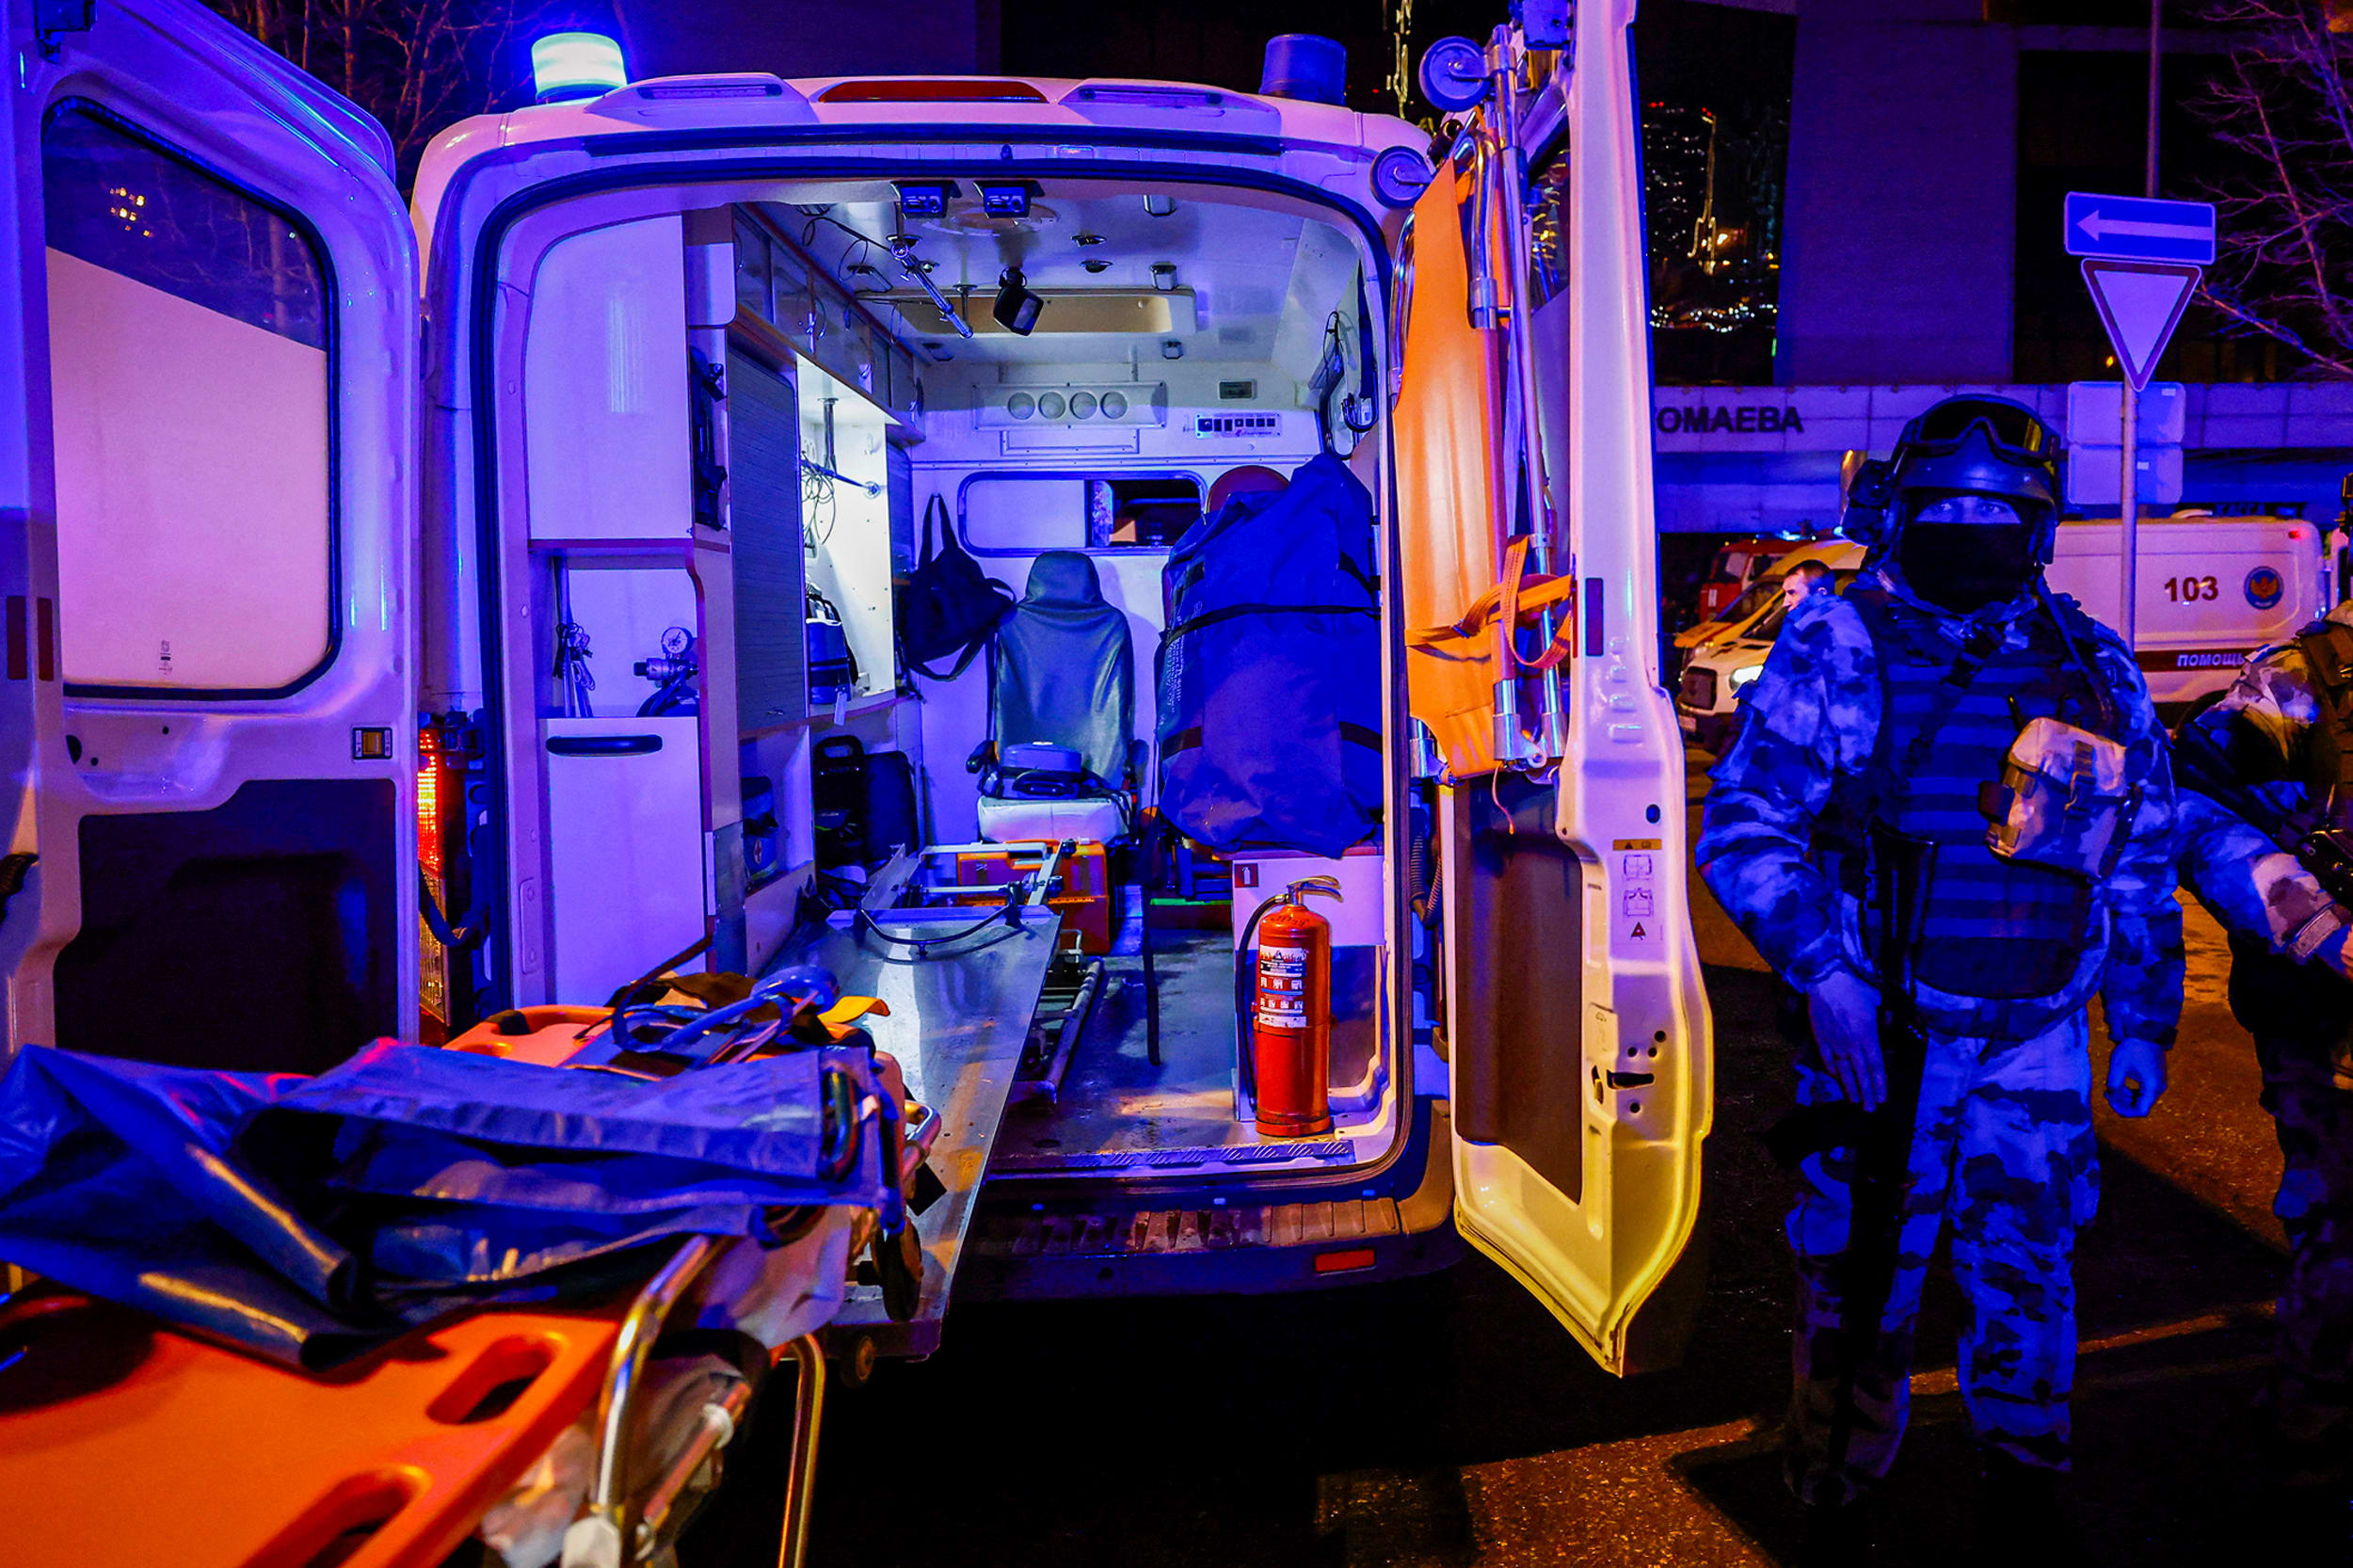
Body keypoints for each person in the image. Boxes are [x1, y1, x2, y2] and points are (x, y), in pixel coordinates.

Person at [1695, 395, 2182, 1560]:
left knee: (2030, 1270)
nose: (1969, 526)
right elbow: (1745, 827)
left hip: (2039, 1036)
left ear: (2038, 525)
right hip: (1887, 1033)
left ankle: (2022, 1489)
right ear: (1900, 513)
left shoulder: (2091, 659)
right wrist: (1825, 974)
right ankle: (1833, 1491)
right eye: (1946, 507)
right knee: (1859, 1282)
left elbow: (2140, 850)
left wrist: (2147, 1022)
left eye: (1996, 510)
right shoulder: (1839, 638)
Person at [2172, 603, 2353, 1529]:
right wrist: (2310, 918)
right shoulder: (2310, 674)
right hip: (2335, 1030)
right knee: (2341, 1250)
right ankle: (2308, 1451)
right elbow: (2191, 806)